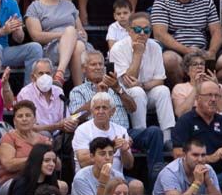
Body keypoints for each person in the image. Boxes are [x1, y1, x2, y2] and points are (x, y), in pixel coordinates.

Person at [69, 49, 165, 184]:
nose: (98, 68)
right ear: (84, 68)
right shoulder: (78, 91)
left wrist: (118, 89)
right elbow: (74, 116)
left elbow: (133, 108)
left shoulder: (115, 86)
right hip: (97, 136)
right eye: (93, 64)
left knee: (154, 132)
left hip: (123, 132)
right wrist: (96, 98)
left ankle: (157, 174)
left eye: (101, 64)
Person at [150, 0, 222, 83]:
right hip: (177, 52)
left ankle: (206, 86)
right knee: (168, 60)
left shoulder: (205, 0)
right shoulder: (162, 0)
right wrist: (187, 50)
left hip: (204, 50)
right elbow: (159, 34)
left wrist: (212, 51)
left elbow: (216, 31)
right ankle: (184, 91)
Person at [108, 11, 175, 142]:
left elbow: (160, 80)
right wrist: (138, 54)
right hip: (125, 95)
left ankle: (167, 138)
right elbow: (128, 82)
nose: (142, 34)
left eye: (146, 30)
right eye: (138, 29)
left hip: (147, 90)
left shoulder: (155, 46)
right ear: (129, 30)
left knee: (163, 91)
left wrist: (143, 85)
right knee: (137, 92)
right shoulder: (118, 48)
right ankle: (142, 134)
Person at [24, 0, 88, 88]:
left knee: (79, 45)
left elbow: (82, 32)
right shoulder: (35, 7)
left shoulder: (69, 5)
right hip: (52, 46)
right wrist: (65, 35)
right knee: (71, 33)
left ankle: (60, 75)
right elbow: (36, 36)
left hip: (76, 44)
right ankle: (79, 89)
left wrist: (76, 35)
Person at [69, 136, 144, 195]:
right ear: (92, 157)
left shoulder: (117, 176)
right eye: (102, 154)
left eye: (111, 154)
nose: (108, 158)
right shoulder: (81, 178)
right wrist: (103, 183)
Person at [171, 80, 222, 169]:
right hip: (193, 173)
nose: (213, 99)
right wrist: (210, 158)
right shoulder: (185, 121)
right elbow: (178, 155)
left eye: (216, 95)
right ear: (198, 98)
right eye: (209, 95)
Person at [0, 100, 51, 185]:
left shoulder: (44, 140)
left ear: (34, 119)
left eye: (28, 115)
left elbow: (57, 164)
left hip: (39, 180)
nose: (24, 119)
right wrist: (37, 158)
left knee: (63, 186)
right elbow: (9, 165)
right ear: (14, 121)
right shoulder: (9, 138)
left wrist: (51, 153)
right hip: (13, 181)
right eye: (20, 116)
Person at [15, 59, 75, 137]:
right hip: (36, 136)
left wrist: (71, 124)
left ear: (52, 76)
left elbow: (67, 118)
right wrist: (56, 126)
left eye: (48, 73)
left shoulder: (58, 91)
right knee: (44, 134)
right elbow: (29, 127)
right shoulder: (25, 93)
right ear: (33, 77)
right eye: (41, 73)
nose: (45, 76)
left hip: (59, 135)